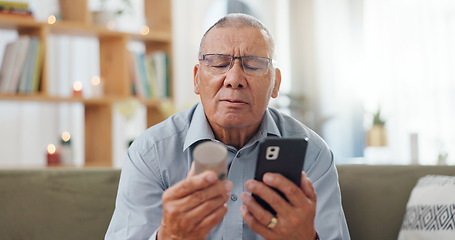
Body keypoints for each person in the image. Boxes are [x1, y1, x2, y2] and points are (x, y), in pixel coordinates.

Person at [105, 13, 350, 240]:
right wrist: (167, 236)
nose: (234, 79)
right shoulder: (150, 153)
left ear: (275, 84)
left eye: (253, 64)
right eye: (218, 63)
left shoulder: (313, 154)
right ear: (196, 79)